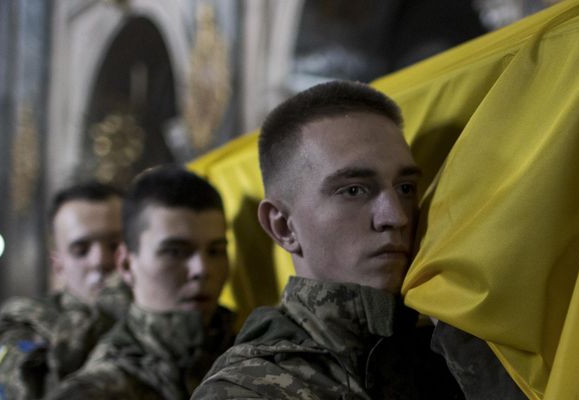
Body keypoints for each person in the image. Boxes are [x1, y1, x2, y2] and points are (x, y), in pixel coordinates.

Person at [193, 80, 459, 399]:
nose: (397, 217)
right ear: (283, 227)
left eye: (405, 188)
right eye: (353, 190)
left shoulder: (444, 354)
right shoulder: (247, 391)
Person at [47, 166, 234, 400]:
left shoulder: (255, 354)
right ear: (125, 264)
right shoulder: (99, 390)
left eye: (216, 251)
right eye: (175, 252)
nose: (202, 269)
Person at [0, 182, 129, 399]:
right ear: (58, 265)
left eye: (115, 246)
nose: (100, 261)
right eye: (81, 250)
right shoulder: (23, 321)